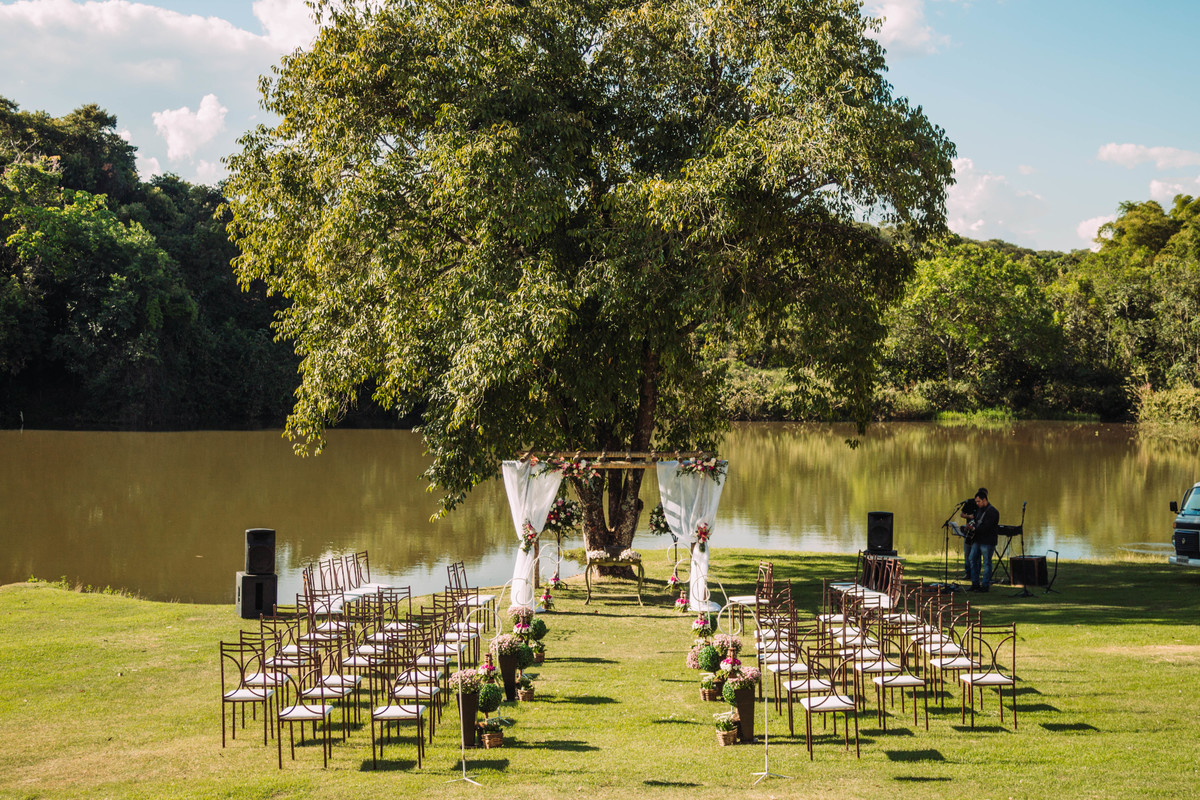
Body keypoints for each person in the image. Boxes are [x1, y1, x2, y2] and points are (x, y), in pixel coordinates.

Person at [964, 488, 999, 592]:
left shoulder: (992, 511)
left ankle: (985, 585)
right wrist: (969, 526)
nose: (977, 503)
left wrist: (973, 528)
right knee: (972, 559)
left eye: (978, 501)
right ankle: (975, 584)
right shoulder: (979, 510)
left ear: (984, 500)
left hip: (987, 541)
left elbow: (986, 527)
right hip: (977, 540)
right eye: (976, 501)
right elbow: (976, 521)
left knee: (987, 563)